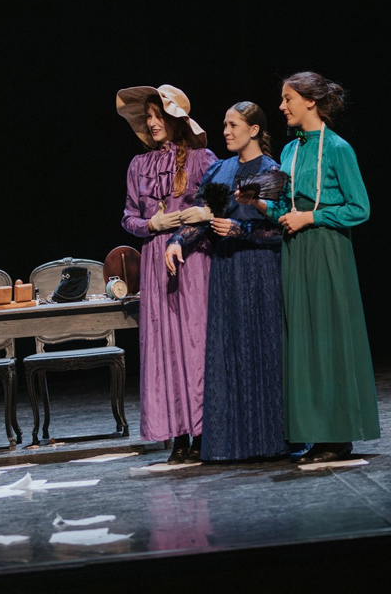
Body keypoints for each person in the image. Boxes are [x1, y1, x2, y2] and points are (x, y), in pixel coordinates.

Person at [264, 72, 380, 464]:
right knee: (303, 340)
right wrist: (260, 204)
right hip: (294, 250)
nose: (282, 106)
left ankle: (338, 435)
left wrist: (311, 218)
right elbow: (283, 208)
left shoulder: (337, 148)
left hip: (327, 249)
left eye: (288, 98)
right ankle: (313, 431)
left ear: (310, 101)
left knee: (330, 338)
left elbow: (359, 208)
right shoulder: (289, 150)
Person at [165, 102, 286, 462]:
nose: (226, 131)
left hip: (260, 270)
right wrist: (177, 240)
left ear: (253, 130)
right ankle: (231, 443)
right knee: (228, 351)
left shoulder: (271, 171)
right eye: (225, 125)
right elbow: (203, 218)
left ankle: (270, 440)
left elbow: (280, 230)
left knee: (261, 350)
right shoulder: (220, 170)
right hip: (226, 270)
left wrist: (241, 228)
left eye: (234, 125)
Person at [118, 85, 217, 463]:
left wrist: (189, 222)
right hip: (154, 262)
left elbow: (215, 207)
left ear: (176, 120)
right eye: (149, 117)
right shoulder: (138, 165)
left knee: (194, 344)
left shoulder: (201, 159)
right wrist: (151, 224)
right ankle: (177, 436)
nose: (153, 123)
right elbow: (128, 216)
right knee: (163, 348)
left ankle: (203, 432)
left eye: (159, 116)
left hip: (192, 259)